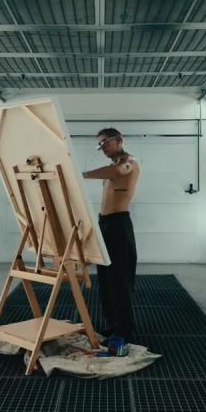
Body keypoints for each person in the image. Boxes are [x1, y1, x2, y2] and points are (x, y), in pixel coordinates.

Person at [82, 128, 140, 342]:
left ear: (119, 140)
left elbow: (119, 171)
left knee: (119, 279)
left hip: (118, 224)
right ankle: (113, 325)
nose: (102, 147)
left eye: (105, 142)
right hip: (105, 223)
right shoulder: (111, 167)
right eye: (100, 144)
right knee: (105, 279)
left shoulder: (128, 163)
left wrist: (81, 175)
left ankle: (125, 330)